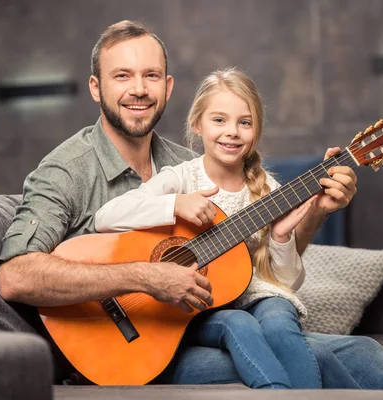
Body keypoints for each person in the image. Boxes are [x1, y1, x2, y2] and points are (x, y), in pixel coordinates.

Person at [0, 20, 383, 390]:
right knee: (320, 357)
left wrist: (314, 214)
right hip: (124, 343)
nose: (139, 89)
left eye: (152, 75)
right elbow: (15, 277)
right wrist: (148, 276)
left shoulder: (192, 163)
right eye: (122, 75)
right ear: (96, 87)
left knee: (360, 350)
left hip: (199, 325)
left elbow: (256, 263)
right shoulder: (68, 170)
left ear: (168, 86)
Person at [94, 67, 323, 389]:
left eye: (244, 122)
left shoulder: (268, 189)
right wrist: (175, 204)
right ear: (196, 124)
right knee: (239, 322)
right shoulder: (181, 178)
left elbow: (283, 282)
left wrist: (281, 238)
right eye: (219, 120)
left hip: (247, 298)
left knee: (279, 315)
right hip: (186, 309)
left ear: (256, 131)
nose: (232, 131)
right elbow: (106, 216)